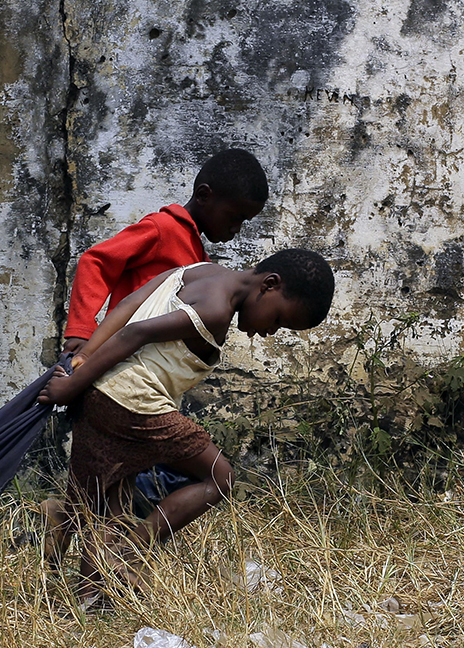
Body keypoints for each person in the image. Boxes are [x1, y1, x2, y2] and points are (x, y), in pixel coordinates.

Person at [38, 249, 335, 602]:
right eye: (278, 320)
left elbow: (131, 303)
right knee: (219, 477)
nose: (269, 332)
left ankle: (77, 560)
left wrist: (85, 357)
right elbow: (136, 333)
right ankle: (132, 550)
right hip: (134, 402)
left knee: (104, 508)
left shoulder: (200, 271)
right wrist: (71, 384)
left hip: (102, 392)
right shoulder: (216, 310)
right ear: (270, 285)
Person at [61, 148, 270, 355]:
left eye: (243, 222)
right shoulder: (163, 228)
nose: (236, 229)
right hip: (116, 352)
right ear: (203, 195)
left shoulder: (201, 261)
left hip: (146, 363)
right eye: (234, 217)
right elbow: (97, 261)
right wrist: (81, 331)